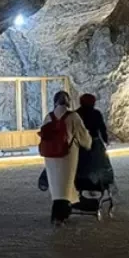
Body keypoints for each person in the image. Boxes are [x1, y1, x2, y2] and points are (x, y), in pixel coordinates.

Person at [40, 90, 92, 225]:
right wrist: (88, 144)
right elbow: (84, 137)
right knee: (65, 185)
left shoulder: (48, 117)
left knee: (56, 186)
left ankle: (58, 212)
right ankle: (61, 215)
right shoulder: (73, 116)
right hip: (67, 155)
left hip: (50, 157)